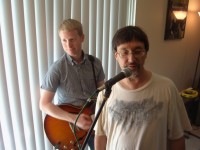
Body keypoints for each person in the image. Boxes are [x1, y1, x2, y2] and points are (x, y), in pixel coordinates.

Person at [94, 26, 192, 150]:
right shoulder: (106, 92)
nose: (131, 59)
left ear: (145, 53)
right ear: (116, 55)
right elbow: (100, 136)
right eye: (124, 52)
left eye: (137, 51)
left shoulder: (167, 88)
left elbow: (176, 137)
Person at [40, 19, 105, 150]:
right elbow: (44, 104)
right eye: (64, 40)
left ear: (82, 38)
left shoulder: (95, 63)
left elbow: (103, 95)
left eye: (72, 39)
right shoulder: (57, 68)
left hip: (93, 123)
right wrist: (75, 119)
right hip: (69, 127)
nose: (68, 45)